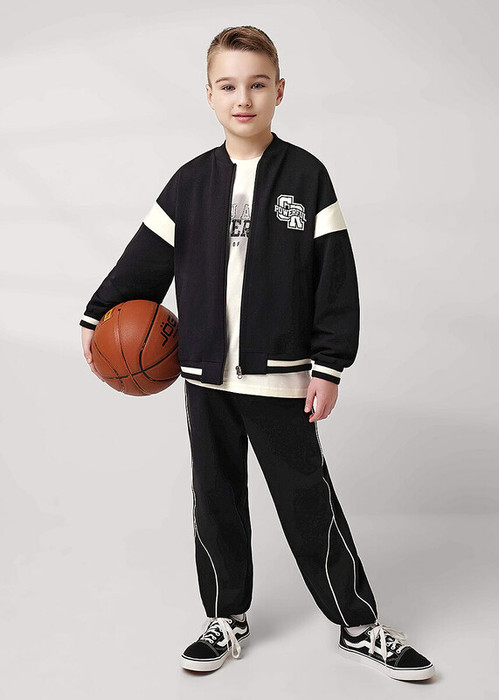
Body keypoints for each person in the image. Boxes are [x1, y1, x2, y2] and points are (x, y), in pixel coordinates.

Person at [80, 25, 435, 681]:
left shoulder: (306, 176)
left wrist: (329, 365)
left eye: (256, 85)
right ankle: (225, 618)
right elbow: (144, 260)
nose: (242, 98)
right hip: (204, 377)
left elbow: (335, 279)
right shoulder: (189, 183)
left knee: (308, 502)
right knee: (215, 500)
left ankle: (358, 625)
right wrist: (98, 314)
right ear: (209, 94)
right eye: (228, 86)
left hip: (280, 378)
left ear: (279, 90)